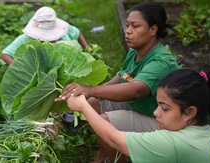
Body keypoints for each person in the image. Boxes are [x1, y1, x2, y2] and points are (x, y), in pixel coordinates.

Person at [56, 2, 179, 162]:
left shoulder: (161, 62)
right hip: (140, 105)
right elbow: (122, 76)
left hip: (159, 119)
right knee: (92, 104)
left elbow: (136, 90)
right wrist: (93, 93)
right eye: (127, 25)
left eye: (135, 26)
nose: (128, 31)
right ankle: (105, 154)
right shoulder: (136, 50)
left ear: (153, 30)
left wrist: (90, 89)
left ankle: (117, 160)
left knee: (104, 120)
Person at [60, 69, 210, 163]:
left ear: (190, 112)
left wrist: (82, 105)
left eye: (165, 108)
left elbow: (114, 139)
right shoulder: (209, 132)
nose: (155, 112)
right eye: (158, 105)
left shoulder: (175, 143)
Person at [1, 6, 89, 65]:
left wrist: (87, 48)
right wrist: (19, 69)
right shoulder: (27, 39)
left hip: (71, 66)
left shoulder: (65, 30)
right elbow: (5, 54)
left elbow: (77, 33)